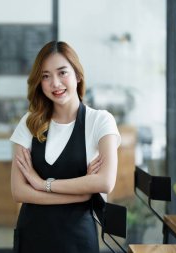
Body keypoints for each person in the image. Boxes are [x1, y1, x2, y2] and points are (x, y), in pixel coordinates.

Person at [9, 41, 121, 253]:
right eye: (46, 76)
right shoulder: (28, 123)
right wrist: (81, 192)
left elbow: (105, 182)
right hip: (32, 238)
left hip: (77, 241)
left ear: (78, 75)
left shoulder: (100, 121)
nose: (55, 83)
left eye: (62, 73)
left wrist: (41, 184)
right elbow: (19, 191)